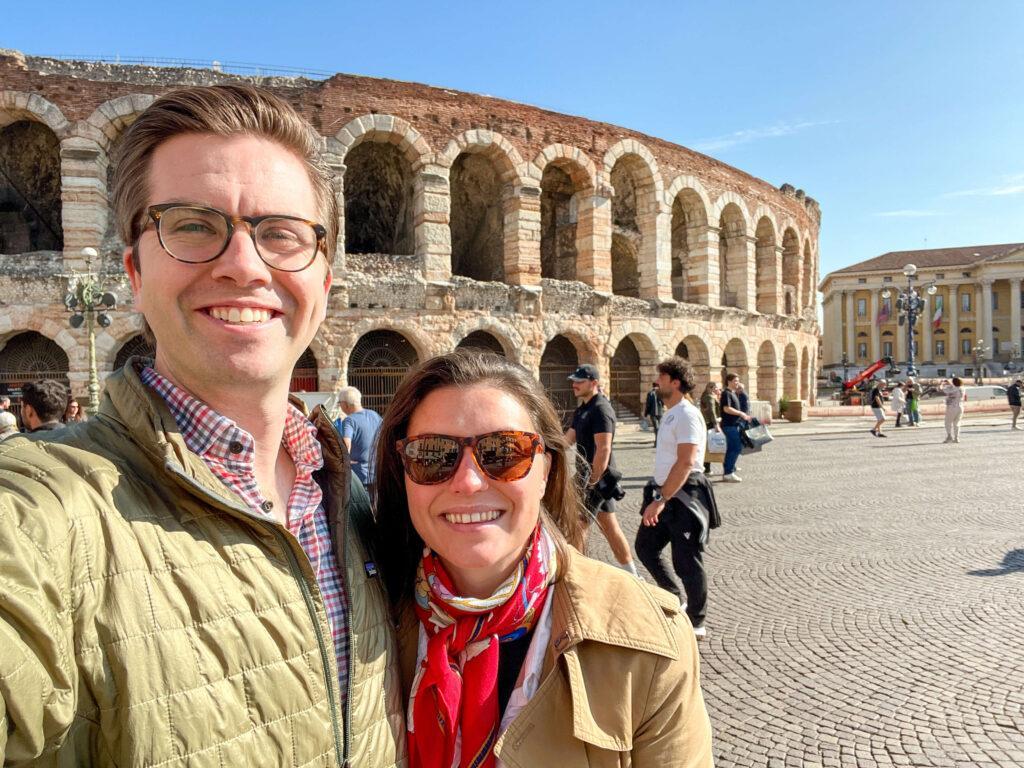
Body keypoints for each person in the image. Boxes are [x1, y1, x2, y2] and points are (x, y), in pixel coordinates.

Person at [0, 85, 404, 766]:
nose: (244, 265)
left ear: (325, 278)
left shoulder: (352, 502)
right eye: (192, 224)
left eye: (280, 233)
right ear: (133, 271)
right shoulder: (41, 513)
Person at [374, 351, 714, 767]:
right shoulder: (366, 624)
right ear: (402, 472)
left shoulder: (650, 646)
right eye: (431, 454)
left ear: (546, 471)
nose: (467, 481)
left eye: (503, 452)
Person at [636, 356, 720, 640]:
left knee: (687, 561)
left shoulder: (686, 413)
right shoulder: (671, 413)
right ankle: (674, 597)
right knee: (646, 546)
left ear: (675, 382)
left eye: (660, 377)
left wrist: (661, 499)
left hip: (683, 495)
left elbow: (686, 461)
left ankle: (697, 620)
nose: (656, 382)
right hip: (666, 491)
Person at [564, 363, 639, 576]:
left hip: (597, 476)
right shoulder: (582, 409)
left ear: (594, 383)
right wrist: (543, 446)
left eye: (579, 381)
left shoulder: (601, 409)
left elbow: (603, 448)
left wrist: (593, 481)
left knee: (579, 524)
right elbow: (568, 439)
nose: (574, 385)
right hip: (584, 476)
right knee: (609, 526)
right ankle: (633, 573)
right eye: (574, 381)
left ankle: (574, 573)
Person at [335, 385, 383, 494]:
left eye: (340, 403)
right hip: (377, 474)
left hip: (360, 477)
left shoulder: (349, 421)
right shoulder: (374, 415)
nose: (340, 406)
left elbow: (346, 445)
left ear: (346, 404)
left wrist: (345, 462)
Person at [719, 372, 752, 482]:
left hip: (734, 425)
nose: (737, 383)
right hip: (729, 425)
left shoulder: (733, 393)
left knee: (731, 448)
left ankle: (729, 470)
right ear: (729, 381)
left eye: (738, 380)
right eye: (735, 381)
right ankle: (728, 472)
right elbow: (726, 409)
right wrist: (740, 413)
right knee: (736, 447)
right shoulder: (726, 393)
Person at [699, 381, 722, 475]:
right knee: (710, 446)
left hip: (707, 423)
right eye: (716, 387)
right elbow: (712, 412)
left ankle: (706, 468)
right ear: (711, 388)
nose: (717, 389)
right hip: (710, 423)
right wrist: (715, 424)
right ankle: (706, 468)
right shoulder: (709, 397)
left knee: (708, 445)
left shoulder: (706, 396)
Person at [940, 376, 967, 443]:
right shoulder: (962, 388)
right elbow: (955, 386)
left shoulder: (952, 389)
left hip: (952, 407)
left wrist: (941, 383)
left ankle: (949, 436)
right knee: (957, 423)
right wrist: (949, 383)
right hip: (960, 406)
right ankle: (956, 438)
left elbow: (941, 389)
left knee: (947, 422)